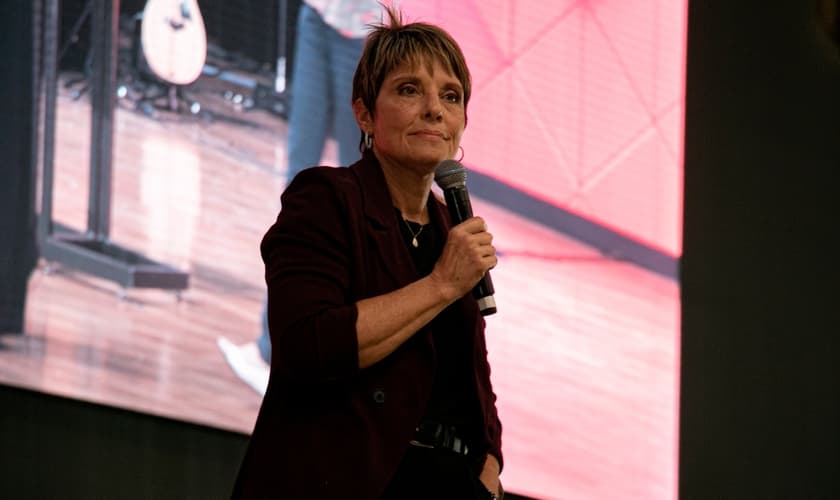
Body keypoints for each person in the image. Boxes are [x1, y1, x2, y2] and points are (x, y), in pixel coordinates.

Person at [231, 6, 504, 499]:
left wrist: (489, 465)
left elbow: (475, 377)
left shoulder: (452, 227)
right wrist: (441, 284)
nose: (434, 109)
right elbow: (307, 345)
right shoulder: (327, 199)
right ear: (363, 113)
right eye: (408, 90)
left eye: (451, 96)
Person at [217, 0, 385, 395]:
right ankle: (270, 351)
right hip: (318, 17)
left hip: (365, 39)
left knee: (364, 202)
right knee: (299, 188)